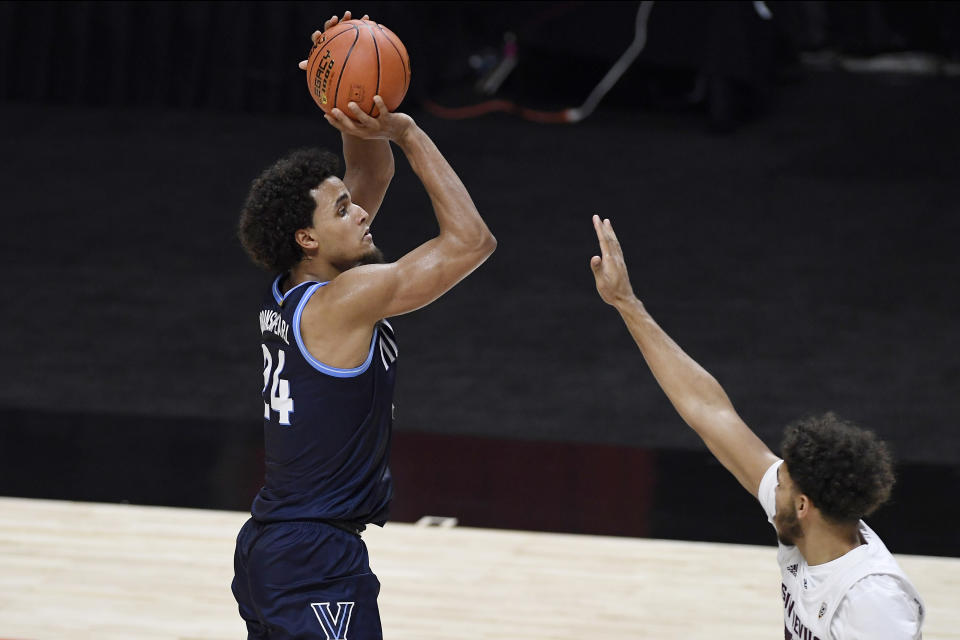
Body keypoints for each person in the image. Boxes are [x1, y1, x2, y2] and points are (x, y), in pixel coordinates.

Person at [230, 13, 496, 639]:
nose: (361, 213)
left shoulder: (296, 286)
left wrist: (347, 107)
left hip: (275, 546)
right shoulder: (350, 297)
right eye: (342, 210)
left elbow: (370, 177)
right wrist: (406, 131)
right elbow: (472, 241)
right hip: (314, 556)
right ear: (308, 235)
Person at [588, 215, 924, 639]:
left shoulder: (872, 604)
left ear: (804, 505)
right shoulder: (813, 525)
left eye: (780, 481)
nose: (770, 482)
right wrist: (627, 303)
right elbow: (710, 412)